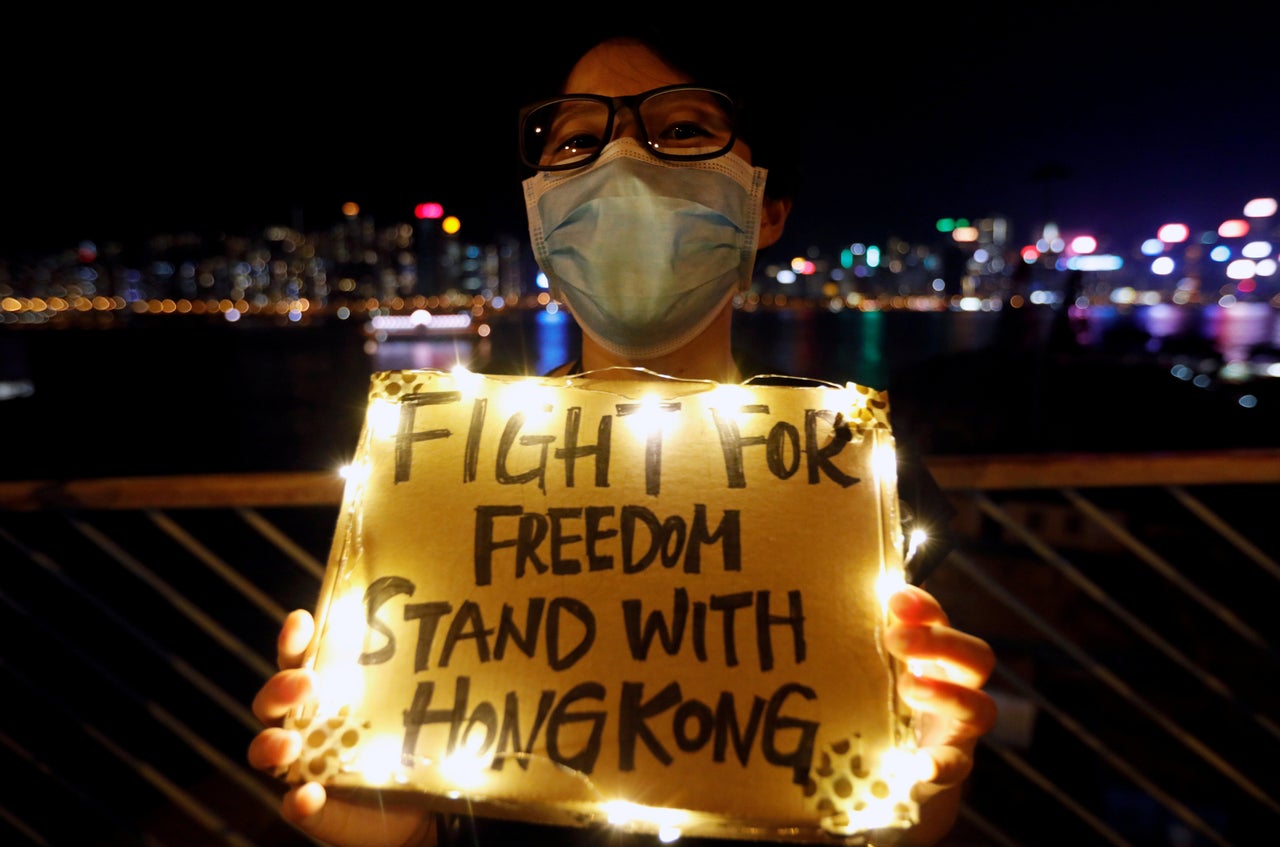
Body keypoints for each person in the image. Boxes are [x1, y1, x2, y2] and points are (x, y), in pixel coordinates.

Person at [249, 26, 996, 847]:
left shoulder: (853, 469)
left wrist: (925, 775)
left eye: (681, 129)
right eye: (576, 138)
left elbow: (906, 807)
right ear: (543, 214)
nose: (622, 162)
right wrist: (378, 824)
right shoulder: (439, 468)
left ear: (766, 208)